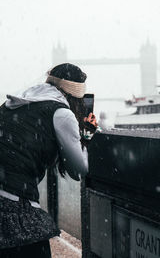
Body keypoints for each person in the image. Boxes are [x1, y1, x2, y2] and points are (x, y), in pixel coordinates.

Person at [0, 63, 98, 258]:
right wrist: (86, 136)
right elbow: (78, 171)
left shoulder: (15, 103)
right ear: (76, 97)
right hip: (13, 205)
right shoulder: (61, 113)